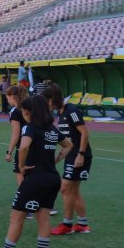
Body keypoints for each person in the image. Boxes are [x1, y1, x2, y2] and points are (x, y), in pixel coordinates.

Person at [0, 96, 72, 248]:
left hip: (35, 180)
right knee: (44, 218)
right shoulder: (51, 129)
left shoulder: (30, 128)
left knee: (16, 218)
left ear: (28, 111)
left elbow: (23, 147)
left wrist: (22, 166)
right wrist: (55, 160)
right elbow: (68, 145)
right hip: (52, 178)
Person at [46, 84, 93, 235]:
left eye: (48, 101)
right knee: (74, 191)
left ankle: (67, 225)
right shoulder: (60, 113)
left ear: (53, 99)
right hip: (71, 156)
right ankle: (83, 224)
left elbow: (84, 132)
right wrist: (55, 160)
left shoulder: (71, 110)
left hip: (80, 156)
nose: (47, 104)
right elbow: (68, 141)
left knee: (65, 189)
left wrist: (81, 154)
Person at [4, 85, 29, 187]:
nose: (7, 99)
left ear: (13, 96)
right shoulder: (29, 107)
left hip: (23, 146)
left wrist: (9, 151)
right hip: (35, 144)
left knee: (20, 172)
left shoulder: (15, 112)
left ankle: (23, 197)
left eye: (7, 97)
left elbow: (16, 134)